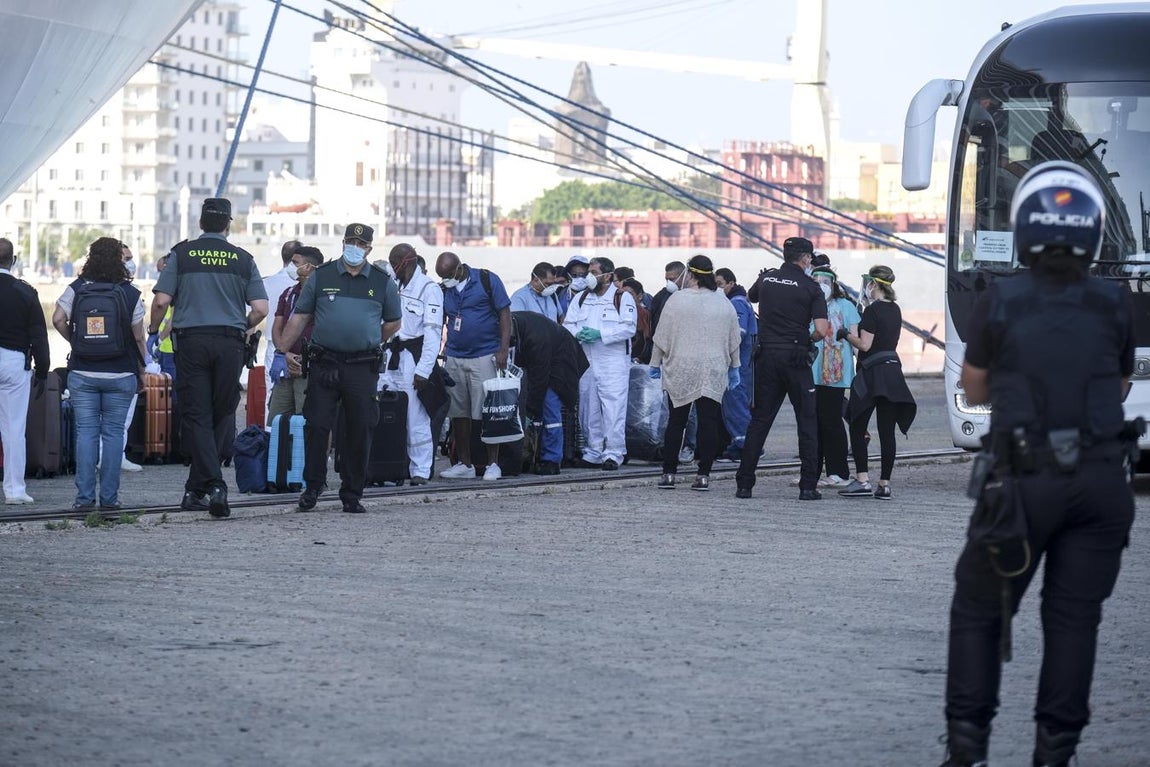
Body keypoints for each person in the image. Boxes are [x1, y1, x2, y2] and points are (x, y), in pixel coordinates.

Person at [937, 163, 1136, 767]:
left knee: (979, 610)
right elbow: (1122, 384)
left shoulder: (1002, 297)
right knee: (1075, 620)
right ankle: (1056, 752)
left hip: (1024, 483)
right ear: (1093, 231)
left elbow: (972, 389)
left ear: (1024, 227)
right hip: (1103, 483)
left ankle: (968, 748)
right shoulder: (1114, 300)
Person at [150, 198, 268, 518]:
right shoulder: (243, 259)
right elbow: (260, 309)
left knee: (197, 414)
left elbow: (161, 301)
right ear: (228, 224)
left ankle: (212, 485)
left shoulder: (182, 254)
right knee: (221, 412)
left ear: (201, 223)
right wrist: (240, 326)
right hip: (229, 343)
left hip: (192, 342)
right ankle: (196, 489)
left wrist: (152, 328)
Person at [276, 224, 401, 513]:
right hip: (325, 363)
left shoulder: (382, 282)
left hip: (361, 366)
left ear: (369, 249)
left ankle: (352, 493)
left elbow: (394, 322)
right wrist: (283, 351)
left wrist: (369, 338)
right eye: (350, 241)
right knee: (317, 426)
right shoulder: (322, 275)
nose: (354, 246)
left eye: (361, 243)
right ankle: (313, 486)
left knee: (360, 428)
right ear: (344, 242)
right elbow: (300, 318)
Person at [52, 237, 147, 511]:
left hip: (83, 371)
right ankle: (109, 500)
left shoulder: (77, 288)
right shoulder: (130, 293)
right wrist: (141, 370)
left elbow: (57, 318)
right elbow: (138, 337)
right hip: (121, 374)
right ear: (120, 260)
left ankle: (83, 500)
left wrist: (76, 341)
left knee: (86, 433)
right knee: (114, 434)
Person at [735, 237, 830, 501]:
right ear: (806, 259)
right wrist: (805, 340)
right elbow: (821, 330)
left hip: (766, 356)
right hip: (796, 357)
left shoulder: (767, 279)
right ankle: (808, 486)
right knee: (807, 421)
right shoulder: (812, 288)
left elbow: (750, 296)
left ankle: (744, 484)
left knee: (760, 421)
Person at [650, 255, 741, 490]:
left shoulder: (676, 300)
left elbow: (662, 336)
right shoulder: (723, 303)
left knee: (676, 422)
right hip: (712, 368)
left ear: (690, 274)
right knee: (708, 422)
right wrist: (735, 367)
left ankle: (669, 473)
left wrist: (654, 363)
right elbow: (734, 339)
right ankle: (703, 475)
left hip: (681, 367)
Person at [837, 265, 916, 499]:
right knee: (887, 431)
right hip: (893, 374)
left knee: (858, 425)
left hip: (871, 375)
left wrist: (845, 334)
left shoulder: (872, 311)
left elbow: (864, 345)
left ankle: (862, 480)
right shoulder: (896, 310)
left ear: (873, 284)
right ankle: (884, 484)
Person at [435, 251, 513, 480]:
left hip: (484, 354)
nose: (446, 280)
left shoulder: (487, 280)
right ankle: (465, 463)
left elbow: (505, 314)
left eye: (448, 275)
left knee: (487, 412)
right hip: (455, 356)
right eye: (442, 277)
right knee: (459, 413)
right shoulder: (444, 289)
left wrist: (503, 349)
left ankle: (492, 463)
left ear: (459, 268)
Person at [563, 256, 637, 470]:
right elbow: (568, 324)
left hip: (612, 362)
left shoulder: (622, 298)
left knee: (613, 407)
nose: (590, 277)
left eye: (594, 272)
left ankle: (614, 453)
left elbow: (628, 328)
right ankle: (593, 451)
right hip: (586, 360)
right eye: (589, 272)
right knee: (588, 407)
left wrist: (601, 334)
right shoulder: (582, 298)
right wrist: (579, 334)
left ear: (608, 275)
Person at [380, 242, 443, 486]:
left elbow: (433, 333)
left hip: (413, 359)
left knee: (415, 417)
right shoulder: (393, 285)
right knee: (388, 414)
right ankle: (391, 466)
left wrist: (424, 370)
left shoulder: (429, 289)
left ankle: (421, 469)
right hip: (390, 357)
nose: (392, 267)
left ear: (405, 262)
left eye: (393, 261)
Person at [0, 238, 49, 505]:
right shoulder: (25, 291)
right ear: (14, 260)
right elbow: (39, 336)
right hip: (13, 361)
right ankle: (14, 490)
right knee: (13, 428)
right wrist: (42, 371)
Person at [509, 311, 589, 474]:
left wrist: (530, 413)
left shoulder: (535, 337)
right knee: (534, 408)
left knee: (549, 407)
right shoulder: (514, 326)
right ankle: (532, 454)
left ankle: (552, 459)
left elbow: (539, 379)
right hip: (543, 361)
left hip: (561, 363)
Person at [809, 264, 860, 488]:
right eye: (816, 282)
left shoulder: (846, 306)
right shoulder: (807, 305)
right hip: (811, 370)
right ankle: (813, 471)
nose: (822, 286)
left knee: (831, 422)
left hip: (835, 374)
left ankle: (839, 471)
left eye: (825, 282)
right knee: (814, 423)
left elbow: (855, 338)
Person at [268, 246, 323, 421]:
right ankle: (281, 449)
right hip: (285, 366)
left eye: (295, 263)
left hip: (308, 369)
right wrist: (283, 353)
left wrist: (301, 359)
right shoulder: (288, 294)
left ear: (307, 267)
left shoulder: (323, 296)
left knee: (308, 420)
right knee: (278, 420)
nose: (291, 266)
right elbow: (277, 328)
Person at [714, 268, 756, 462]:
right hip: (739, 363)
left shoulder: (736, 304)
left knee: (736, 406)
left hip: (737, 365)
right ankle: (739, 445)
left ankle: (746, 446)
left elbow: (738, 333)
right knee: (734, 406)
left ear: (731, 283)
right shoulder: (737, 302)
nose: (717, 288)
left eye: (720, 284)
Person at [261, 240, 302, 424]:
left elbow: (256, 314)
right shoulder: (304, 286)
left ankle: (271, 445)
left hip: (274, 349)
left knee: (272, 401)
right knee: (300, 405)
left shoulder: (268, 282)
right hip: (300, 352)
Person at [649, 260, 686, 337]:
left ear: (684, 276)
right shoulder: (661, 296)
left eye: (672, 279)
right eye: (667, 279)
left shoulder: (692, 296)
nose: (669, 283)